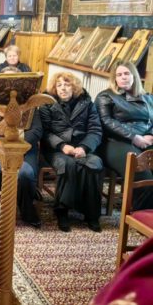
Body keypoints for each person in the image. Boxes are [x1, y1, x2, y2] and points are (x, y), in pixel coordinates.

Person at [40, 72, 104, 232]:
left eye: (67, 84)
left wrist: (84, 147)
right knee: (68, 164)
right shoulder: (47, 102)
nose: (63, 88)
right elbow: (45, 132)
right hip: (56, 149)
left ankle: (91, 214)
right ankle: (62, 210)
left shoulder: (87, 103)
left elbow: (95, 130)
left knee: (94, 163)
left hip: (81, 146)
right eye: (59, 85)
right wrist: (62, 146)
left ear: (74, 87)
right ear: (55, 88)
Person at [0, 65, 43, 228]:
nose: (10, 86)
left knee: (25, 173)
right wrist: (4, 146)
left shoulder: (29, 103)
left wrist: (19, 146)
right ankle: (25, 199)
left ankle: (26, 210)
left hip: (24, 149)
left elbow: (37, 130)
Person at [95, 62, 153, 210]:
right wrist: (134, 137)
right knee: (143, 175)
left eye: (127, 73)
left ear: (134, 76)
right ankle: (141, 215)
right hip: (115, 141)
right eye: (119, 75)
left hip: (146, 140)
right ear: (114, 78)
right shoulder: (106, 96)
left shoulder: (148, 97)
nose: (123, 77)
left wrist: (150, 135)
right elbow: (106, 121)